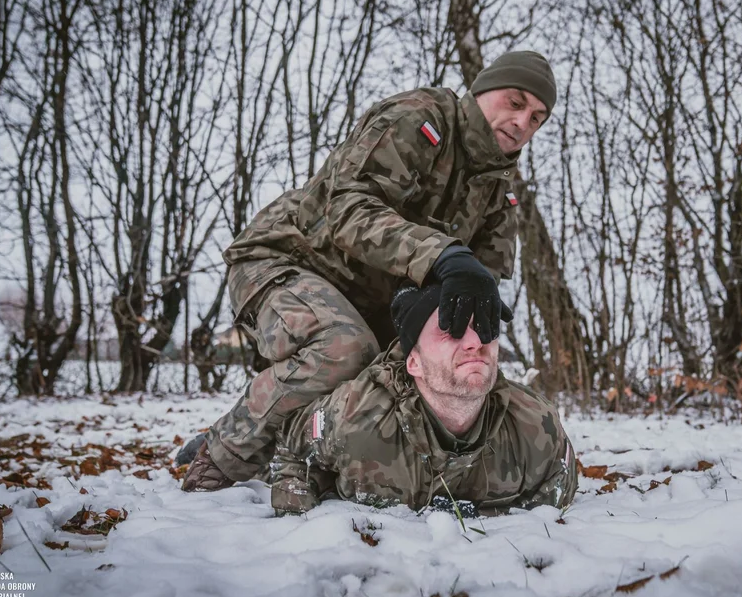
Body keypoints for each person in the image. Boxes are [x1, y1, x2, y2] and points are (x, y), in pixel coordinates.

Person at [182, 51, 558, 492]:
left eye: (537, 118)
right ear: (481, 91)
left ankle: (299, 451)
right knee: (343, 348)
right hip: (286, 259)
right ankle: (221, 458)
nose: (522, 122)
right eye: (515, 102)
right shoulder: (420, 120)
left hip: (372, 302)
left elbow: (477, 284)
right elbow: (347, 209)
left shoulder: (500, 195)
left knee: (415, 373)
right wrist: (441, 255)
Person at [268, 283, 578, 514]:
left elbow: (558, 485)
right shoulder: (355, 415)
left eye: (484, 327)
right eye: (450, 329)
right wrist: (300, 514)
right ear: (414, 363)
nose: (476, 342)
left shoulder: (535, 427)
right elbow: (292, 446)